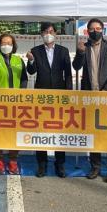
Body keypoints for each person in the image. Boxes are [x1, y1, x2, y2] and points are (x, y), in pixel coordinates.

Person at [72, 18, 107, 183]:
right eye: (92, 29)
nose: (95, 31)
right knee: (93, 133)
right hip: (90, 98)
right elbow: (76, 66)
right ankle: (95, 167)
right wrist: (80, 52)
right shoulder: (84, 47)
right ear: (87, 31)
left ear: (102, 30)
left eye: (98, 28)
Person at [26, 22, 72, 178]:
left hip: (60, 96)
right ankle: (42, 164)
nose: (48, 34)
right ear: (41, 34)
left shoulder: (63, 51)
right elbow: (31, 71)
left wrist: (69, 94)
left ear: (56, 34)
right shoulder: (35, 51)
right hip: (42, 96)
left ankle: (60, 164)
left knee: (60, 130)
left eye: (51, 31)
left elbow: (68, 74)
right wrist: (31, 61)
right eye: (45, 32)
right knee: (41, 130)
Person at [0, 33, 28, 175]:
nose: (6, 45)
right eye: (3, 43)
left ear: (13, 45)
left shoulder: (19, 60)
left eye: (9, 43)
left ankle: (13, 160)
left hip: (15, 103)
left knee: (14, 132)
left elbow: (24, 79)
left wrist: (21, 95)